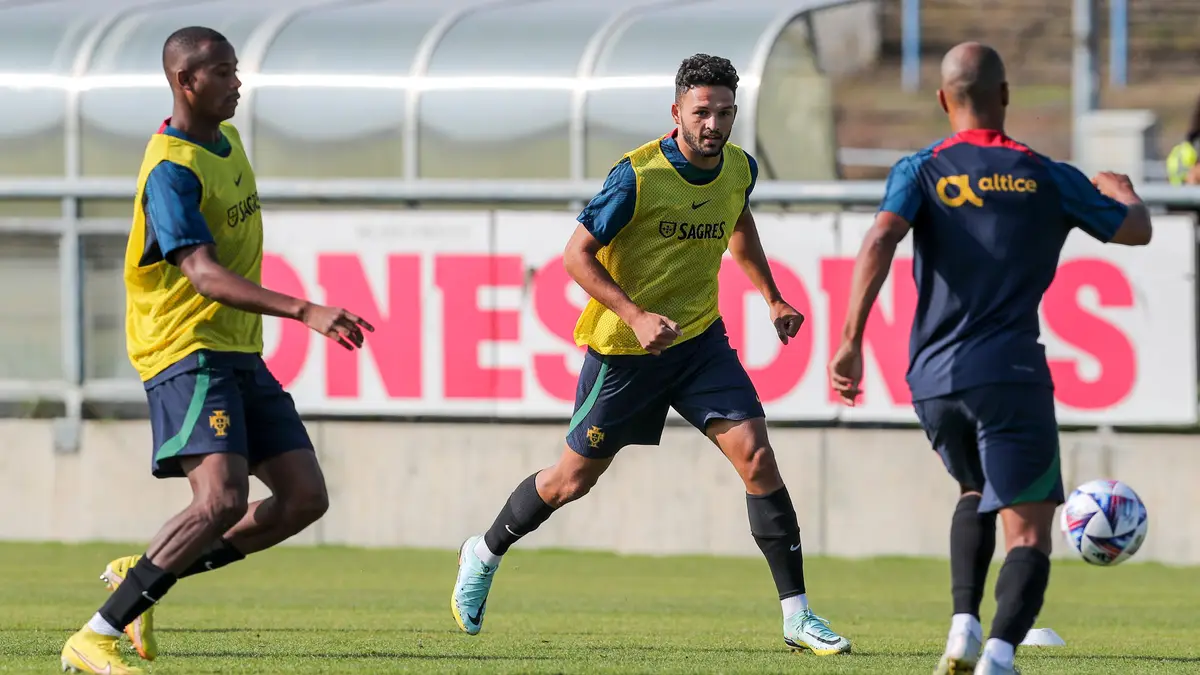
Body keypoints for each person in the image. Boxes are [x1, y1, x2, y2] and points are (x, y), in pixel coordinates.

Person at [449, 53, 852, 656]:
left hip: (699, 344)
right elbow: (575, 255)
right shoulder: (636, 176)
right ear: (676, 113)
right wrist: (635, 317)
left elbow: (737, 222)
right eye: (701, 112)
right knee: (569, 482)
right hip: (625, 354)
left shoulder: (739, 167)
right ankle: (483, 552)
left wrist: (771, 297)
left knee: (758, 457)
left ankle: (797, 615)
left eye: (724, 112)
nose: (713, 124)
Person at [828, 42, 1153, 675]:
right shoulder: (1047, 174)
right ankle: (1000, 655)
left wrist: (849, 341)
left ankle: (963, 627)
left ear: (945, 99)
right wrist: (1125, 190)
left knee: (974, 490)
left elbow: (879, 238)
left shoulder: (921, 168)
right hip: (1009, 373)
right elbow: (1133, 229)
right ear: (1005, 97)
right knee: (1028, 529)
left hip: (932, 379)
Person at [60, 27, 373, 675]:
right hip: (184, 349)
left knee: (303, 498)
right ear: (186, 83)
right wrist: (305, 309)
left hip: (236, 350)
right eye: (225, 73)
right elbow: (201, 273)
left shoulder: (225, 142)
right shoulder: (172, 171)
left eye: (237, 71)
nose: (238, 83)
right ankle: (94, 634)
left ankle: (145, 573)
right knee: (220, 499)